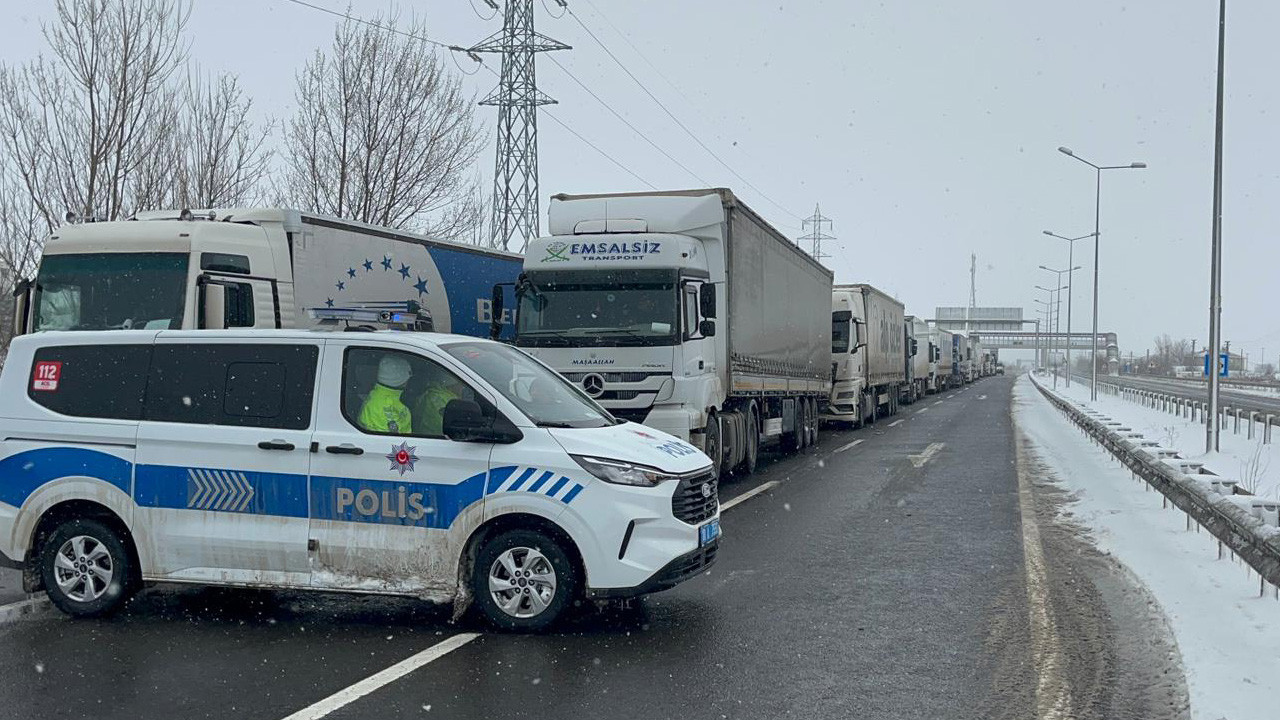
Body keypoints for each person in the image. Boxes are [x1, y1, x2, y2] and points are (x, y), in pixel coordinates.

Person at [358, 355, 413, 434]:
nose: (409, 379)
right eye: (408, 376)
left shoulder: (380, 396)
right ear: (400, 379)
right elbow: (394, 443)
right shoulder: (385, 407)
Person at [413, 364, 464, 437]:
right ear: (451, 385)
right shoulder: (436, 399)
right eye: (459, 384)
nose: (462, 387)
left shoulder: (448, 397)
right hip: (433, 440)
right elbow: (443, 426)